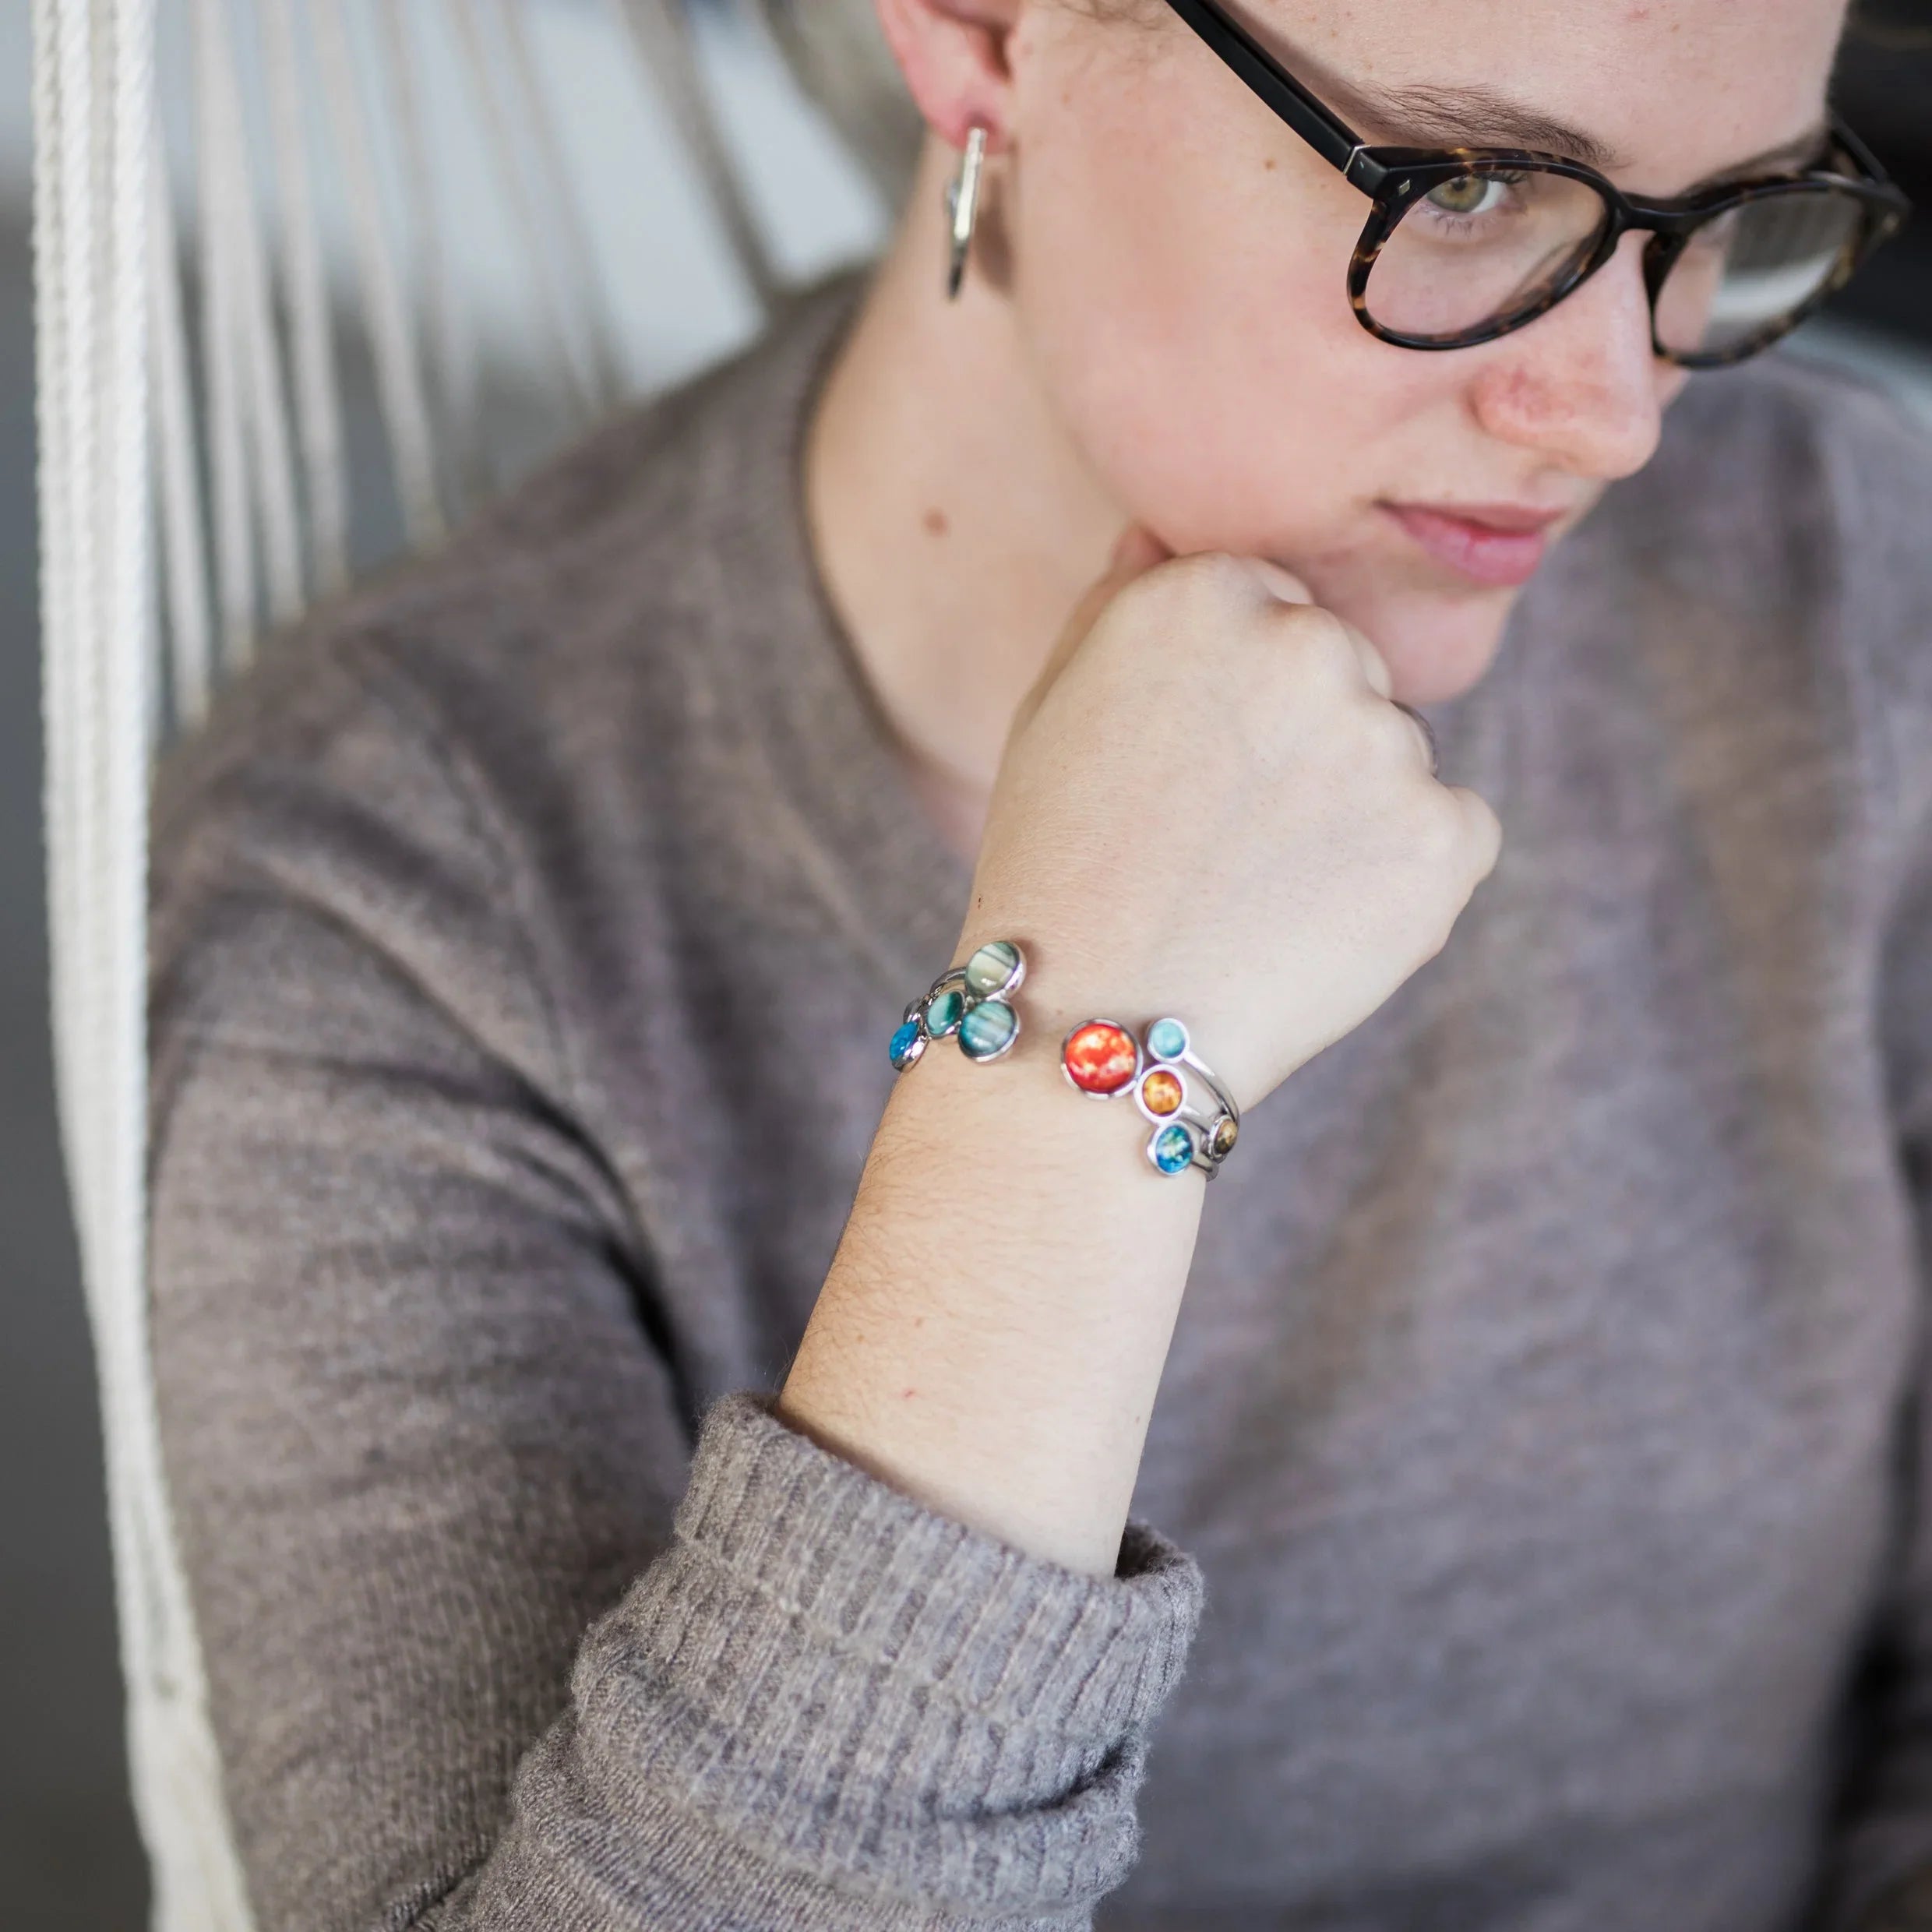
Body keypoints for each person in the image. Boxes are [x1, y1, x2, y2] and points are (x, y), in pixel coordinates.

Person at [146, 0, 1932, 1927]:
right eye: (1466, 184)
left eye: (1729, 215)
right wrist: (1070, 1096)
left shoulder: (1833, 593)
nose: (1617, 414)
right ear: (980, 32)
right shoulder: (405, 909)